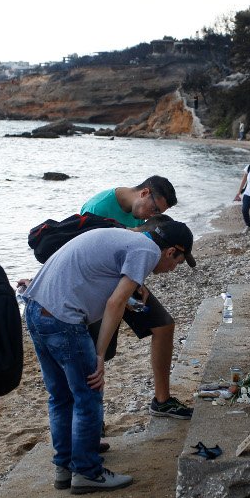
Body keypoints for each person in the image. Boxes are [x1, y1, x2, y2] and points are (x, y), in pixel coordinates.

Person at [22, 220, 196, 493]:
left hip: (35, 310)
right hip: (63, 320)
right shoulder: (147, 251)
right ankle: (88, 472)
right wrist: (100, 354)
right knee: (89, 394)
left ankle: (65, 466)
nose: (173, 270)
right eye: (178, 262)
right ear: (171, 251)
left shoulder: (129, 238)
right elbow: (115, 303)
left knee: (61, 396)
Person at [81, 177, 195, 420]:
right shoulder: (97, 208)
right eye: (154, 210)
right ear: (144, 193)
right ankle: (92, 419)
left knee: (163, 325)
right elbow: (90, 254)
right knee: (98, 352)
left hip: (129, 281)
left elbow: (143, 249)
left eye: (158, 214)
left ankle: (162, 401)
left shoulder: (141, 216)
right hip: (100, 286)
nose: (148, 218)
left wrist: (138, 283)